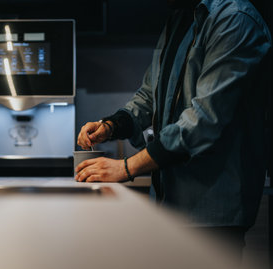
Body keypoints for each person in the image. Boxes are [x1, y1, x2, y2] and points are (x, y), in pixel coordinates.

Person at [76, 0, 272, 255]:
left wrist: (126, 167)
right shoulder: (180, 19)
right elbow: (149, 95)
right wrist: (110, 126)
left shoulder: (234, 19)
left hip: (213, 213)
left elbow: (203, 121)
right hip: (170, 206)